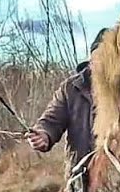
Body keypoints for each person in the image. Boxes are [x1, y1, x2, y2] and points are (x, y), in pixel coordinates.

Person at [26, 27, 111, 168]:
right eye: (100, 57)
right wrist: (43, 134)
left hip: (115, 172)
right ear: (91, 59)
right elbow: (51, 120)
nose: (104, 63)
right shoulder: (71, 89)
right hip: (80, 171)